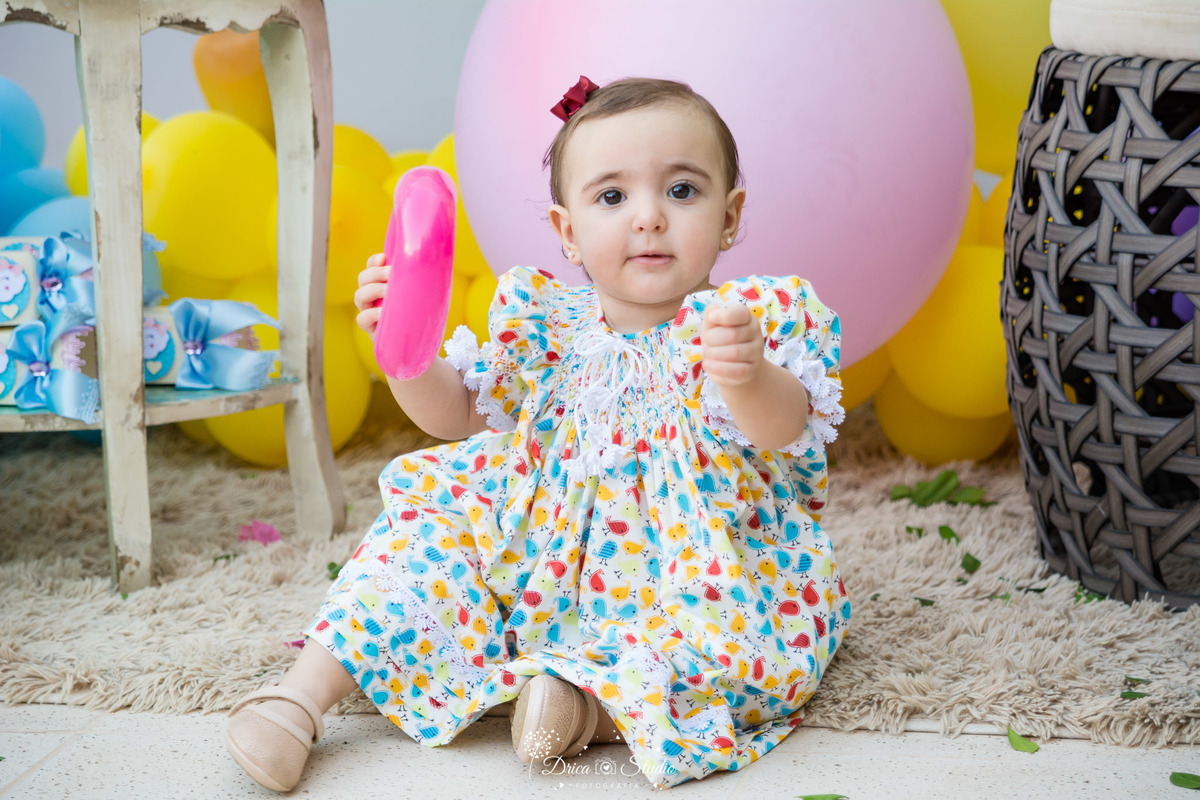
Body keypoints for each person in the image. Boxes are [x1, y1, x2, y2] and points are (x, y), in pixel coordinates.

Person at [225, 76, 850, 791]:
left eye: (682, 191)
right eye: (612, 197)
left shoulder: (745, 320)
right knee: (419, 546)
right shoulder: (544, 326)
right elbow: (455, 412)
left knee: (747, 649)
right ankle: (298, 700)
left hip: (688, 566)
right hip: (532, 557)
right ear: (567, 233)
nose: (648, 217)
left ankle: (588, 706)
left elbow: (784, 429)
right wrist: (404, 347)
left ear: (730, 216)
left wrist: (746, 375)